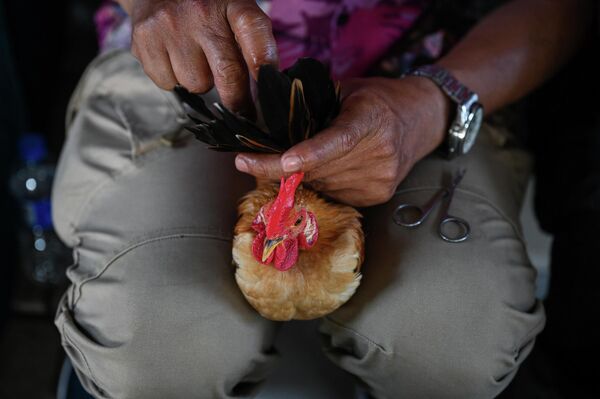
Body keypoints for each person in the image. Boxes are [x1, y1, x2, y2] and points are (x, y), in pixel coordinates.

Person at [51, 0, 592, 397]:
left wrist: (435, 104)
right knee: (155, 344)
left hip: (437, 72)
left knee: (453, 340)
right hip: (184, 71)